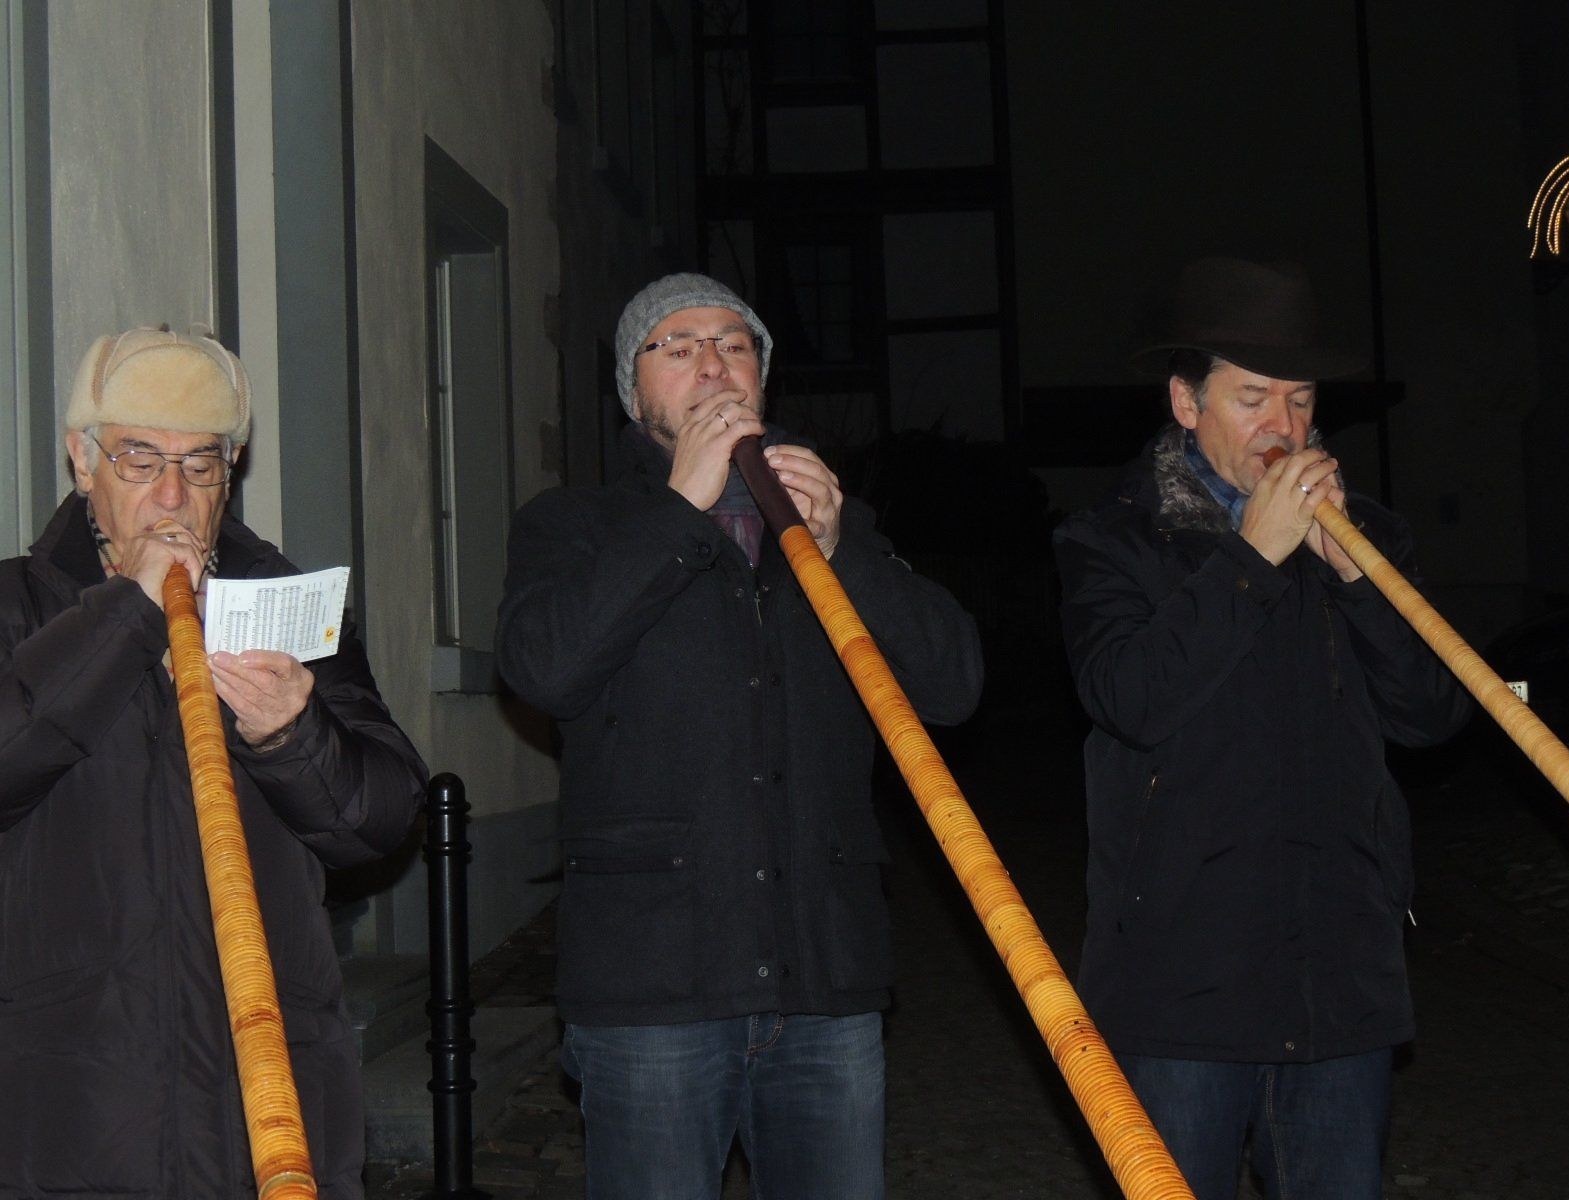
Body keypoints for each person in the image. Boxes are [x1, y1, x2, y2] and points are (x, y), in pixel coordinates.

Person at [496, 273, 983, 1199]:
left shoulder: (830, 518)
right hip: (653, 988)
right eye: (677, 347)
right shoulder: (574, 525)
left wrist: (840, 551)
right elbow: (544, 669)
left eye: (734, 344)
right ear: (633, 392)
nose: (713, 363)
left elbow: (953, 685)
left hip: (824, 982)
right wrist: (677, 510)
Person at [1054, 258, 1471, 1200]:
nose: (1283, 426)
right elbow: (1129, 699)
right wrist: (1252, 558)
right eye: (1252, 398)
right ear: (1186, 402)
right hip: (1181, 986)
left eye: (1300, 398)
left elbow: (1433, 716)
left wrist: (1358, 582)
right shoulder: (1113, 540)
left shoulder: (1369, 537)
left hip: (1339, 984)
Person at [0, 326, 427, 1198]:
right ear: (82, 462)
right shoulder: (15, 606)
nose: (171, 494)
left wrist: (293, 735)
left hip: (262, 1096)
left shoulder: (286, 607)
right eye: (140, 459)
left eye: (200, 465)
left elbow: (382, 818)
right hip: (77, 1106)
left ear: (230, 473)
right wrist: (125, 615)